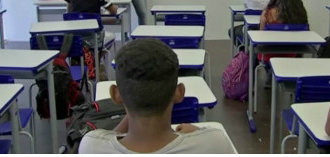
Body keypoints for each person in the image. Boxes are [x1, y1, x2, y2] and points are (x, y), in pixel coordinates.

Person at [79, 39, 236, 153]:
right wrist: (196, 132)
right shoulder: (215, 144)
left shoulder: (91, 146)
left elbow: (108, 138)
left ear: (115, 94)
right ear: (179, 92)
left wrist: (135, 100)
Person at [65, 0, 118, 80]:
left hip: (75, 39)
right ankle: (97, 59)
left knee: (86, 39)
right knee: (111, 36)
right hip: (93, 39)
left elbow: (69, 12)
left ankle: (82, 59)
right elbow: (113, 11)